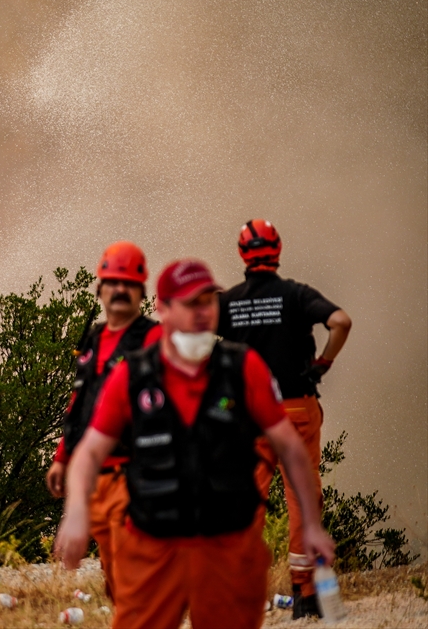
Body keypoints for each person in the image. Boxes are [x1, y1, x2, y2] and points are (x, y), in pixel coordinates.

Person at [54, 259, 334, 629]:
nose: (202, 312)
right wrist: (75, 515)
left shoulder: (243, 367)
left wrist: (312, 526)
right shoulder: (131, 375)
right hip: (153, 544)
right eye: (190, 303)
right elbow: (90, 451)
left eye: (209, 301)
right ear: (163, 309)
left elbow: (290, 446)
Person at [219, 218, 352, 618]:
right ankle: (306, 597)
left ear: (242, 254)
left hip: (251, 418)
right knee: (303, 501)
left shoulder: (229, 302)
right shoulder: (296, 295)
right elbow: (341, 322)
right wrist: (323, 363)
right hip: (296, 411)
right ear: (278, 250)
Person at [46, 241, 161, 601]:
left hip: (133, 478)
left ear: (142, 291)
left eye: (129, 283)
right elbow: (79, 399)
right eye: (113, 282)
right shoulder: (93, 337)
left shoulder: (154, 339)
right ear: (100, 288)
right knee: (115, 583)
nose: (120, 290)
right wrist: (62, 457)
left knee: (136, 583)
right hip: (92, 479)